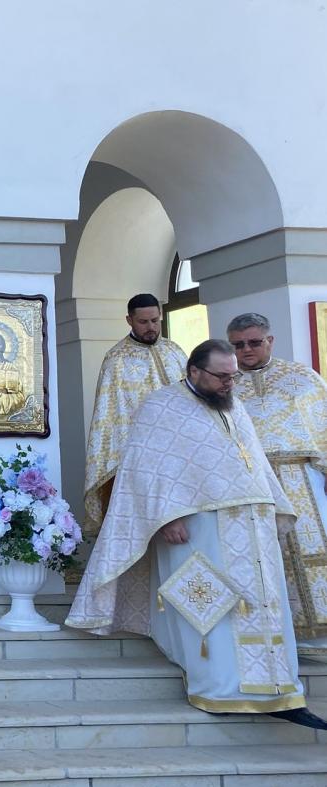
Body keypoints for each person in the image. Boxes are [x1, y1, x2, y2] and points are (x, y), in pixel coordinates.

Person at [67, 340, 327, 728]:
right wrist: (165, 517)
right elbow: (146, 468)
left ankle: (282, 690)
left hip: (251, 526)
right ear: (194, 372)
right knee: (214, 606)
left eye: (233, 376)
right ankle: (222, 689)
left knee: (264, 605)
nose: (229, 384)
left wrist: (273, 507)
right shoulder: (161, 406)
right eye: (222, 376)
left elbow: (252, 460)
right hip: (198, 527)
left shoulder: (232, 404)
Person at [228, 312, 327, 657]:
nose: (246, 350)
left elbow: (323, 425)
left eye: (254, 342)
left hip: (302, 478)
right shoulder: (224, 384)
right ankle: (276, 633)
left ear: (270, 341)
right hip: (250, 481)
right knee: (261, 555)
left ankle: (319, 636)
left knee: (313, 548)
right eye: (238, 345)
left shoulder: (302, 378)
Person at [83, 293, 188, 543]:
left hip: (181, 452)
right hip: (141, 456)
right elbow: (108, 417)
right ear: (129, 320)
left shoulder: (174, 351)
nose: (151, 327)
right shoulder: (116, 359)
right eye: (143, 322)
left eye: (155, 320)